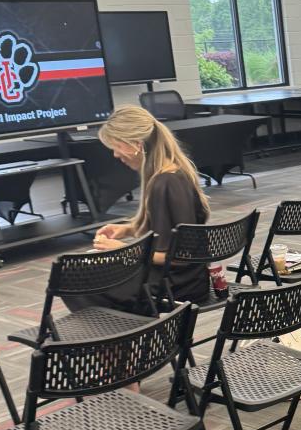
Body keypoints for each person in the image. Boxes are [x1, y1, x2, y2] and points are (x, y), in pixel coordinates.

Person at [64, 106, 211, 313]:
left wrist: (122, 250)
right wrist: (129, 229)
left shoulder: (164, 183)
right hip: (191, 280)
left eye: (116, 146)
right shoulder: (175, 172)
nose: (115, 154)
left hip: (175, 285)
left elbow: (177, 257)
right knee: (86, 273)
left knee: (73, 278)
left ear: (137, 145)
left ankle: (124, 331)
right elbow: (171, 230)